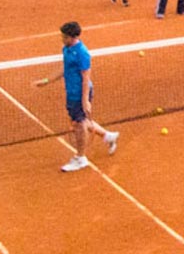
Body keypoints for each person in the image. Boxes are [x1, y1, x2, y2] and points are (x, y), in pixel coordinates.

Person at [30, 21, 118, 172]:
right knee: (81, 120)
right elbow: (65, 69)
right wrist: (46, 81)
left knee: (79, 124)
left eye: (64, 37)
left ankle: (81, 158)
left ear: (71, 37)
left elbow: (86, 77)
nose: (61, 39)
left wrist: (85, 100)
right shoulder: (66, 49)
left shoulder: (82, 53)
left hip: (80, 93)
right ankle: (108, 136)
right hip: (71, 92)